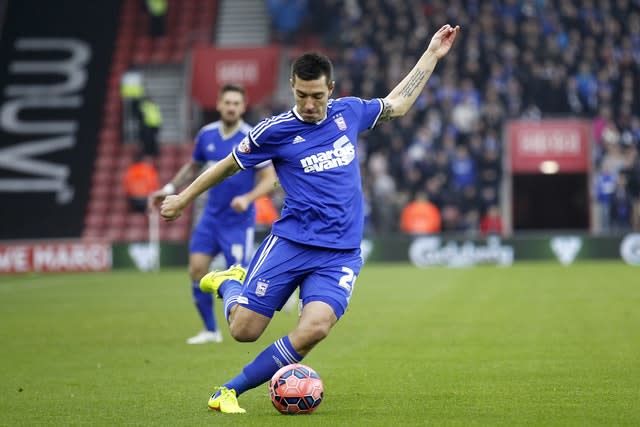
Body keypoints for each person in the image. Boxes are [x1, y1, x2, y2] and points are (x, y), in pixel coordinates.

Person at [160, 24, 460, 413]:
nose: (309, 104)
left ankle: (227, 391)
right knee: (243, 331)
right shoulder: (275, 131)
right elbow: (228, 165)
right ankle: (229, 284)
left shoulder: (349, 112)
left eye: (317, 96)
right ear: (292, 86)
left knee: (315, 328)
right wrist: (183, 197)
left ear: (331, 90)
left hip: (340, 253)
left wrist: (432, 54)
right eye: (301, 95)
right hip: (291, 243)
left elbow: (397, 104)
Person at [148, 84, 277, 345]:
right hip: (210, 218)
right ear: (219, 104)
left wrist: (248, 198)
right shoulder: (206, 135)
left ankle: (245, 325)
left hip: (238, 222)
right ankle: (210, 330)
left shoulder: (250, 137)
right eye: (227, 102)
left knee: (240, 275)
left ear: (243, 107)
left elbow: (270, 179)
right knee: (196, 269)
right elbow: (193, 166)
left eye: (236, 103)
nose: (231, 107)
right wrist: (171, 188)